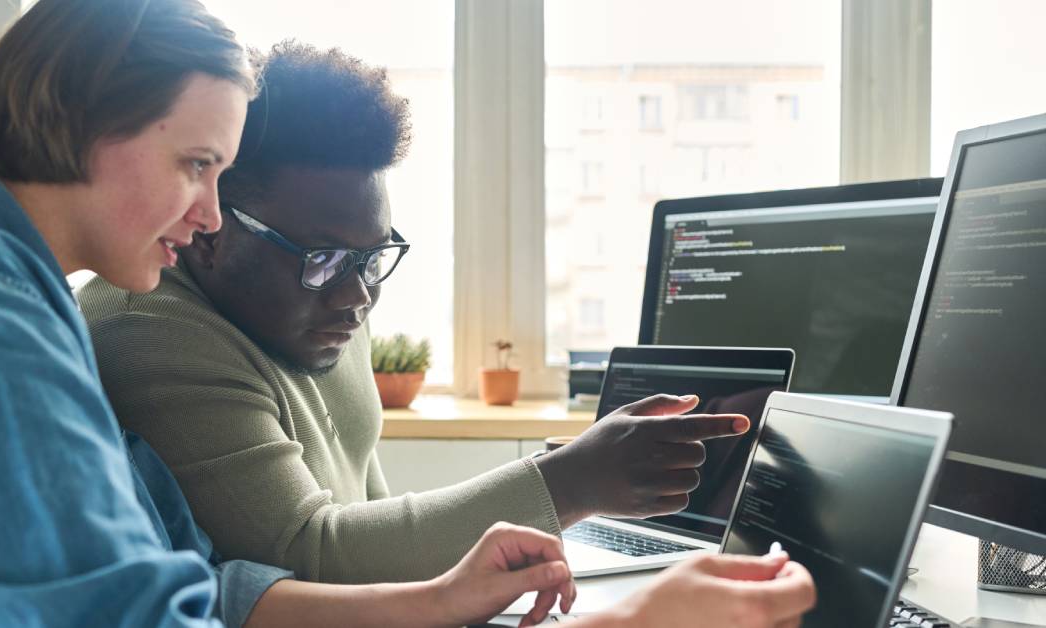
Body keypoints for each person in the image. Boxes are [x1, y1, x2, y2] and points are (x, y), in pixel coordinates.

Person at [0, 1, 577, 625]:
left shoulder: (14, 287)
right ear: (85, 122)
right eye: (197, 165)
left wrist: (439, 598)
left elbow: (199, 586)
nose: (212, 216)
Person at [79, 41, 751, 585]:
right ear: (214, 227)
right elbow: (308, 554)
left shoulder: (327, 298)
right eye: (323, 259)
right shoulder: (146, 329)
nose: (355, 296)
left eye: (373, 258)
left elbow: (369, 517)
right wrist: (569, 482)